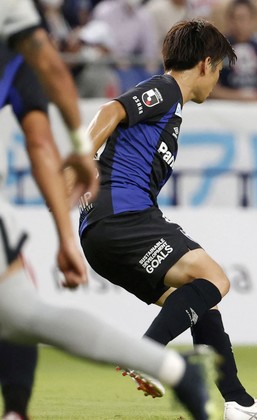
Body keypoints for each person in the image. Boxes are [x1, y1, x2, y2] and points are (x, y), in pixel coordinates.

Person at [0, 4, 215, 419]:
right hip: (119, 217)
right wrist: (79, 162)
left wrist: (68, 226)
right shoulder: (21, 60)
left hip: (102, 221)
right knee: (22, 314)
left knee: (18, 314)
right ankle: (165, 365)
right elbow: (51, 129)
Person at [78, 18, 257, 420]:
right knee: (215, 279)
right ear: (206, 64)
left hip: (102, 232)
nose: (217, 78)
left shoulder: (170, 105)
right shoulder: (166, 89)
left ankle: (239, 404)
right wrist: (77, 161)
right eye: (220, 69)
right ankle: (146, 355)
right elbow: (111, 109)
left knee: (199, 300)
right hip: (123, 217)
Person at [209, 0, 257, 101]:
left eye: (243, 18)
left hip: (256, 107)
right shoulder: (218, 48)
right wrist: (240, 96)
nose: (238, 23)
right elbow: (211, 90)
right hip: (225, 106)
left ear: (252, 20)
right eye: (234, 18)